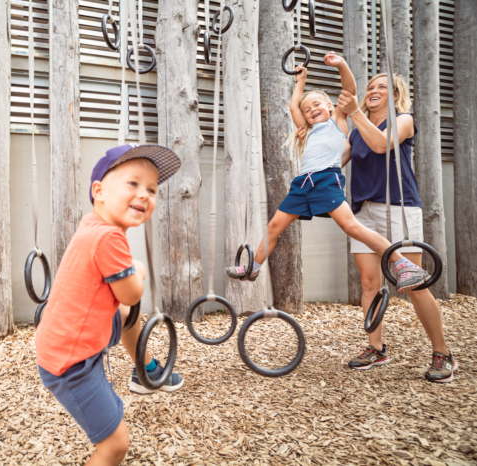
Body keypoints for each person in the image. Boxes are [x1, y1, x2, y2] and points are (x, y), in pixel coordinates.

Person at [225, 52, 429, 296]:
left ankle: (401, 261)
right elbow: (293, 106)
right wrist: (301, 81)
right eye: (307, 109)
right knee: (274, 226)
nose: (311, 110)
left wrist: (341, 64)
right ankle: (253, 268)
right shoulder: (308, 130)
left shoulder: (337, 121)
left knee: (352, 227)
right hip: (302, 184)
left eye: (317, 105)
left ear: (331, 106)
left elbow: (350, 91)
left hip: (327, 181)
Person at [35, 144, 184, 466]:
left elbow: (124, 300)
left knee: (128, 314)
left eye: (152, 189)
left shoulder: (93, 224)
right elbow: (130, 293)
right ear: (99, 191)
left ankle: (143, 369)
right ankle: (142, 371)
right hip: (72, 362)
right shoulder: (110, 238)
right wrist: (140, 271)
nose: (144, 195)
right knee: (115, 445)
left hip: (62, 338)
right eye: (133, 184)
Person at [336, 73, 457, 383]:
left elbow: (381, 145)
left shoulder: (403, 120)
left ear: (395, 94)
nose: (374, 90)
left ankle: (443, 353)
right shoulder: (356, 132)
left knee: (413, 285)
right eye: (370, 87)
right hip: (363, 213)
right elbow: (336, 162)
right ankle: (376, 348)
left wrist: (354, 113)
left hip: (399, 209)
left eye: (382, 87)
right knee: (368, 283)